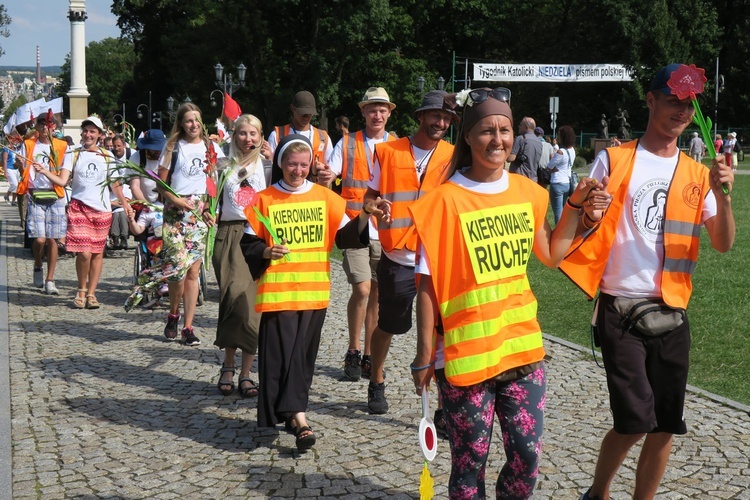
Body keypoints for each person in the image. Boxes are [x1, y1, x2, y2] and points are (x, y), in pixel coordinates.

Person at [409, 87, 609, 499]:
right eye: (486, 130)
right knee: (468, 466)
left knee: (526, 456)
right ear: (466, 136)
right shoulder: (442, 203)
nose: (497, 139)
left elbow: (552, 254)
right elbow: (426, 287)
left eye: (504, 129)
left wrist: (578, 209)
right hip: (465, 357)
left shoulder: (527, 192)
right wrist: (425, 356)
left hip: (522, 348)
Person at [559, 63, 735, 500]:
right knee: (636, 419)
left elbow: (723, 243)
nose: (680, 111)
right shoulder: (614, 159)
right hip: (620, 308)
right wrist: (588, 212)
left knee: (666, 424)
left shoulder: (698, 174)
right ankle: (598, 492)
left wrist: (724, 196)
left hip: (672, 310)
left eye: (688, 104)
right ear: (651, 99)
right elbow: (583, 218)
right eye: (671, 99)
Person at [240, 134, 381, 450]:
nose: (298, 170)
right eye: (292, 164)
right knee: (280, 357)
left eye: (304, 165)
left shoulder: (326, 198)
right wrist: (265, 251)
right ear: (281, 163)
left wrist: (365, 215)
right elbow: (248, 244)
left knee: (302, 359)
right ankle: (294, 416)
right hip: (278, 294)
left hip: (314, 293)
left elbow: (346, 238)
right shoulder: (264, 199)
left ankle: (296, 415)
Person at [362, 90, 457, 414]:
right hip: (398, 256)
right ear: (420, 116)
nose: (441, 122)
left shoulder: (454, 155)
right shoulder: (387, 152)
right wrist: (374, 208)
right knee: (389, 324)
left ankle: (445, 405)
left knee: (442, 330)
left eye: (446, 118)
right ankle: (376, 379)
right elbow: (369, 198)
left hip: (437, 259)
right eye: (435, 116)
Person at [132, 102, 225, 344]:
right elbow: (160, 185)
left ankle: (188, 326)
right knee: (177, 271)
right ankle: (173, 313)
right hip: (175, 214)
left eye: (197, 120)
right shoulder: (173, 147)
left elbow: (217, 179)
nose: (193, 125)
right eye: (188, 121)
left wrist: (210, 206)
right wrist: (177, 200)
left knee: (194, 271)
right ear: (181, 124)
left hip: (199, 215)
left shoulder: (211, 147)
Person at [327, 87, 398, 381]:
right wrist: (323, 177)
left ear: (389, 113)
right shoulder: (346, 143)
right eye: (372, 109)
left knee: (377, 295)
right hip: (355, 225)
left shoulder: (398, 145)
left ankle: (368, 354)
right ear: (363, 112)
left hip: (386, 230)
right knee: (362, 289)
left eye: (382, 109)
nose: (377, 114)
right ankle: (353, 349)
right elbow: (329, 175)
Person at [36, 116, 131, 308]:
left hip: (102, 209)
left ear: (99, 135)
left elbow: (115, 183)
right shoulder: (73, 153)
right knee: (84, 253)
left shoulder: (107, 155)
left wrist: (125, 204)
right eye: (86, 131)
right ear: (82, 133)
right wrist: (46, 172)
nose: (88, 134)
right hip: (79, 207)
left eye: (92, 131)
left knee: (97, 253)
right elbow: (63, 181)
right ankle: (81, 288)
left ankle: (92, 293)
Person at [204, 114, 268, 398]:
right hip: (229, 237)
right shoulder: (222, 165)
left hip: (259, 238)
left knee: (254, 304)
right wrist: (206, 210)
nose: (248, 139)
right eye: (243, 133)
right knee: (233, 299)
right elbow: (210, 201)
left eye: (253, 133)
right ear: (234, 135)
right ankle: (228, 364)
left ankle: (244, 372)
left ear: (261, 135)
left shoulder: (268, 164)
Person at [16, 114, 70, 295]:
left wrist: (47, 172)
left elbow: (64, 169)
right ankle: (38, 263)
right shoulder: (29, 144)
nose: (46, 127)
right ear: (37, 127)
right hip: (35, 194)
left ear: (54, 127)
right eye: (42, 124)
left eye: (49, 124)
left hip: (55, 194)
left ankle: (50, 279)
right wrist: (20, 165)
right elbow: (23, 168)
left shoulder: (62, 146)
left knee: (52, 239)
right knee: (39, 239)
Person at [267, 90, 333, 173]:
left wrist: (323, 168)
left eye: (309, 114)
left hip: (314, 185)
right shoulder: (277, 135)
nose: (306, 117)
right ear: (292, 109)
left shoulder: (323, 137)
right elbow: (270, 166)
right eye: (302, 113)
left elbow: (330, 168)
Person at [547, 125, 577, 224]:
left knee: (558, 213)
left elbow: (549, 166)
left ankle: (557, 234)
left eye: (559, 135)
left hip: (557, 183)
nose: (558, 137)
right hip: (567, 183)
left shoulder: (561, 152)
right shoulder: (572, 150)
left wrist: (553, 168)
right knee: (563, 211)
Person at [129, 129, 167, 203]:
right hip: (143, 201)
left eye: (160, 148)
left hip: (164, 201)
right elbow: (135, 186)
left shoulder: (167, 156)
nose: (158, 151)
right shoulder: (137, 157)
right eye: (154, 149)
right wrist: (147, 205)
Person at [507, 116, 543, 183]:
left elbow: (510, 158)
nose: (518, 126)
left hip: (520, 178)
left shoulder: (520, 139)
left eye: (520, 125)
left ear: (526, 127)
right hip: (533, 179)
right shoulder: (539, 142)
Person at [2, 131, 21, 205]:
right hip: (9, 168)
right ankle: (7, 195)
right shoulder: (6, 148)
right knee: (14, 184)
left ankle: (13, 201)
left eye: (16, 139)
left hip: (17, 169)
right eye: (14, 139)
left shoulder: (16, 148)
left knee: (17, 186)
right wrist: (5, 172)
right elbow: (4, 161)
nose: (15, 141)